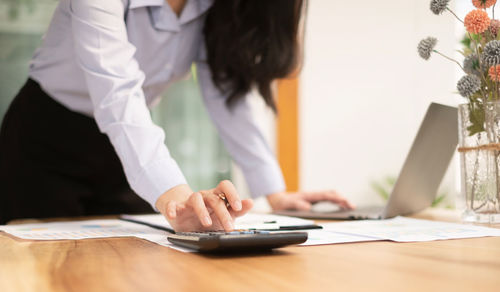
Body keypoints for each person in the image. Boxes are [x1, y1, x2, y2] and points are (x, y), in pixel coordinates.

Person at [0, 0, 354, 229]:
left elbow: (226, 94)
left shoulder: (215, 8)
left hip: (121, 150)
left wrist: (274, 192)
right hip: (43, 139)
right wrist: (174, 195)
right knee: (40, 264)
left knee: (122, 261)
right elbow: (116, 90)